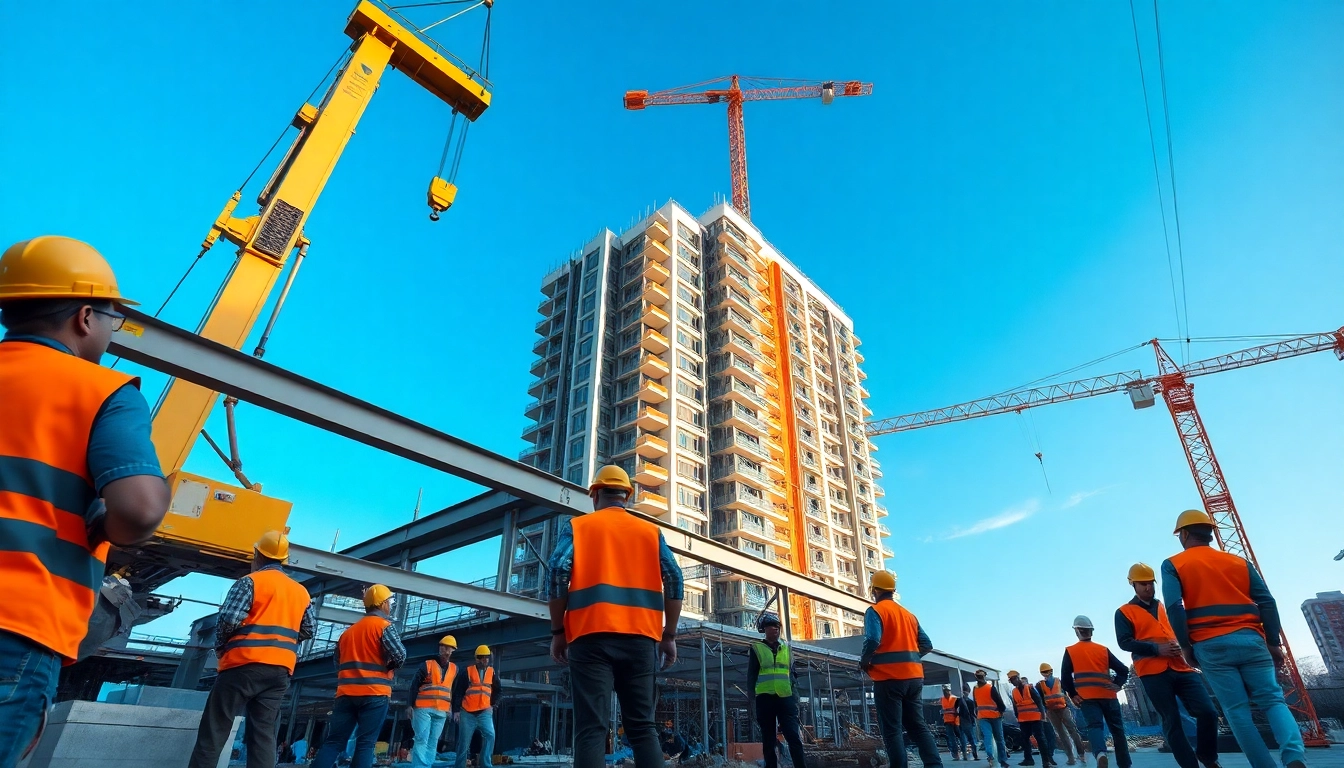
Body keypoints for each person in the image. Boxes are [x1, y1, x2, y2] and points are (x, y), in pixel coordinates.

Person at [0, 236, 171, 763]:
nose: (111, 332)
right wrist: (105, 525)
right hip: (19, 619)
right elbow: (138, 509)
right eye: (112, 319)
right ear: (84, 317)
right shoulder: (101, 390)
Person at [546, 465, 684, 768]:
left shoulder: (578, 527)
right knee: (642, 728)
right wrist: (669, 636)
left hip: (589, 637)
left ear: (595, 494)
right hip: (640, 640)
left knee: (591, 729)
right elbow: (674, 576)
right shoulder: (650, 532)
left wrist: (558, 632)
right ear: (627, 497)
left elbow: (557, 571)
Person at [1163, 510, 1306, 768]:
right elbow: (1267, 601)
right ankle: (1294, 756)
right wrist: (1273, 642)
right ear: (1211, 533)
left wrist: (1186, 645)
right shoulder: (1238, 562)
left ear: (1183, 534)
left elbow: (1174, 607)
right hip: (1252, 640)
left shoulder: (1174, 564)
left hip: (1210, 644)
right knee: (1273, 700)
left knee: (1237, 712)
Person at [188, 531, 316, 768]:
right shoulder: (301, 592)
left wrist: (221, 647)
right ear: (284, 560)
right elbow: (308, 630)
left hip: (241, 665)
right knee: (263, 735)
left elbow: (228, 619)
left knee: (214, 732)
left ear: (257, 554)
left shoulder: (250, 582)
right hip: (279, 672)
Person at [1116, 562, 1219, 768]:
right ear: (1133, 585)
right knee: (1172, 721)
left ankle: (1207, 756)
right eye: (1142, 584)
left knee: (1208, 712)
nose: (1148, 587)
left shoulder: (1164, 607)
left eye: (1150, 583)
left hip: (1181, 666)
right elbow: (1124, 642)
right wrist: (1156, 649)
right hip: (1152, 672)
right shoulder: (1124, 612)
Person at [312, 585, 406, 768]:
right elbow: (400, 655)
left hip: (346, 694)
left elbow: (337, 663)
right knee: (365, 744)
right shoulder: (384, 627)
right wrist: (389, 666)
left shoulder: (347, 633)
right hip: (375, 694)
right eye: (390, 602)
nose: (391, 605)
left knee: (333, 742)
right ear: (383, 604)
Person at [860, 570, 942, 768]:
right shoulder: (909, 615)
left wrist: (865, 661)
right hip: (914, 678)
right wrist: (910, 659)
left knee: (892, 730)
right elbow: (927, 644)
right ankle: (935, 765)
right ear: (892, 591)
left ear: (875, 591)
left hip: (888, 679)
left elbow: (872, 639)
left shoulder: (876, 611)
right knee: (918, 726)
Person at [1061, 616, 1129, 768]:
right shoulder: (1102, 650)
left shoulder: (1071, 651)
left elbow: (1065, 679)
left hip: (1087, 698)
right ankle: (1125, 764)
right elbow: (1123, 670)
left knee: (1094, 727)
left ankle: (1100, 754)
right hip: (1109, 696)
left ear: (1077, 631)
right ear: (1091, 631)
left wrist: (1073, 695)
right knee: (1118, 731)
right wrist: (1118, 684)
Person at [747, 612, 808, 768]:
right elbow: (751, 676)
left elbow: (793, 676)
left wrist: (795, 699)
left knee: (793, 736)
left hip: (785, 698)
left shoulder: (787, 648)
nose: (776, 629)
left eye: (778, 626)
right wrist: (752, 701)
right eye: (772, 626)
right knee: (768, 739)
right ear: (765, 629)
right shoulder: (757, 648)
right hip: (765, 699)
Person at [408, 635, 459, 768]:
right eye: (445, 648)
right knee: (421, 739)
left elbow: (453, 690)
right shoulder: (427, 665)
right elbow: (414, 686)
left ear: (453, 651)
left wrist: (452, 709)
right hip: (423, 709)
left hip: (441, 711)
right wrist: (409, 705)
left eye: (450, 649)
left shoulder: (454, 669)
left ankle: (428, 765)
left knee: (433, 741)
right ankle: (419, 766)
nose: (447, 651)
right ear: (440, 648)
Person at [451, 645, 501, 768]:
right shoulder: (467, 671)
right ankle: (459, 766)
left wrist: (494, 704)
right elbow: (458, 692)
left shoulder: (491, 672)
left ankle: (486, 764)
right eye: (482, 658)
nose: (485, 660)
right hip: (467, 713)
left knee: (490, 735)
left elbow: (498, 690)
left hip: (485, 712)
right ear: (477, 659)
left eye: (486, 658)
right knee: (463, 743)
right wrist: (456, 711)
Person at [1036, 664, 1085, 766]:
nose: (1046, 674)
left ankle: (1081, 754)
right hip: (1051, 712)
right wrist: (1044, 713)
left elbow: (1066, 694)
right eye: (1044, 672)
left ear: (1051, 671)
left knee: (1072, 730)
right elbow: (1040, 700)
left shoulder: (1059, 682)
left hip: (1063, 709)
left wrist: (1073, 706)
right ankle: (1071, 757)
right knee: (1062, 735)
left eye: (1047, 671)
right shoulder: (1040, 685)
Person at [1007, 671, 1055, 767]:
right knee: (1025, 739)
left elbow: (1039, 701)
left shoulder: (1029, 688)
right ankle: (1028, 759)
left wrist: (1043, 715)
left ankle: (1046, 762)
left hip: (1035, 718)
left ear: (1018, 678)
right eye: (1011, 680)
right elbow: (1015, 706)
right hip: (1023, 720)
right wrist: (1017, 717)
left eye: (1014, 679)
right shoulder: (1014, 692)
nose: (1013, 682)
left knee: (1040, 739)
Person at [972, 670, 1009, 768]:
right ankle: (1000, 759)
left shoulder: (978, 689)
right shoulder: (989, 688)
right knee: (997, 738)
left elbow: (976, 704)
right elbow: (1000, 703)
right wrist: (1001, 711)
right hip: (992, 717)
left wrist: (977, 712)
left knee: (990, 738)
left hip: (986, 717)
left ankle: (994, 757)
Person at [940, 685, 966, 760]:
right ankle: (956, 754)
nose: (946, 692)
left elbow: (959, 710)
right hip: (947, 721)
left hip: (955, 721)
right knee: (952, 739)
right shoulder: (942, 699)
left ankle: (963, 752)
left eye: (947, 691)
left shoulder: (955, 699)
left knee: (960, 737)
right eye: (945, 691)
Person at [958, 683, 980, 762]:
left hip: (960, 722)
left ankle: (964, 756)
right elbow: (973, 713)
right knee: (972, 739)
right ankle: (975, 755)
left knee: (963, 739)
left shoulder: (958, 700)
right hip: (969, 722)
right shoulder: (970, 701)